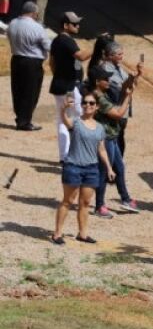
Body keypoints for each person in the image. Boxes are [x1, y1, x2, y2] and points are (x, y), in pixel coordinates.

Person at [51, 91, 115, 245]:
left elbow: (101, 149)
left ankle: (83, 234)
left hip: (91, 169)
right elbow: (64, 121)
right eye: (85, 102)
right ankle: (57, 233)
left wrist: (109, 168)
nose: (88, 105)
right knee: (68, 201)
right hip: (73, 167)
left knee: (85, 203)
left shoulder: (100, 128)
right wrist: (63, 109)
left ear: (97, 107)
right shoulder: (76, 122)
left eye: (91, 103)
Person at [92, 55, 140, 218]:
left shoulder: (103, 94)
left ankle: (125, 198)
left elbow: (120, 93)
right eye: (105, 79)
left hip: (111, 137)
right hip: (105, 138)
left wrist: (133, 79)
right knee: (104, 171)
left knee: (119, 167)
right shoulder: (98, 98)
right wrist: (128, 97)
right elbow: (118, 114)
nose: (108, 81)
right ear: (98, 81)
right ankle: (99, 205)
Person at [49, 11, 92, 161]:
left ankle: (64, 155)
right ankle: (78, 154)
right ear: (66, 25)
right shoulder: (66, 40)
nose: (78, 26)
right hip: (69, 87)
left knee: (63, 120)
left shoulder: (57, 40)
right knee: (79, 118)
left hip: (60, 84)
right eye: (74, 24)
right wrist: (97, 46)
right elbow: (81, 56)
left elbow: (52, 62)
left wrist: (60, 75)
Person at [7, 2, 51, 131]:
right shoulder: (37, 27)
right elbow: (47, 46)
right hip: (32, 62)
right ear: (33, 13)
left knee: (18, 90)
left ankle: (20, 117)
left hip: (16, 59)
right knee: (30, 92)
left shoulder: (12, 23)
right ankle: (25, 121)